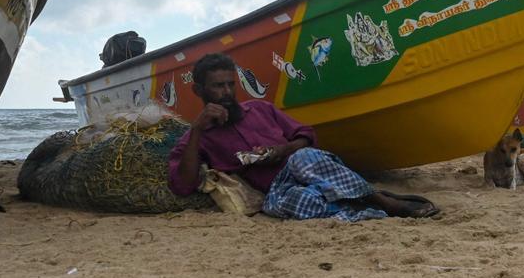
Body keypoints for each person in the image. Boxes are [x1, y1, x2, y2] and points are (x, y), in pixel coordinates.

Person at [167, 53, 438, 221]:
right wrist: (197, 130)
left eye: (230, 84)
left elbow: (306, 136)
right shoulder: (198, 136)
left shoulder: (259, 109)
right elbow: (182, 184)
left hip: (303, 165)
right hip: (277, 189)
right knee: (298, 201)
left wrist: (280, 150)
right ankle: (371, 211)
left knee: (303, 157)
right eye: (218, 86)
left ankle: (384, 200)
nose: (226, 92)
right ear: (199, 90)